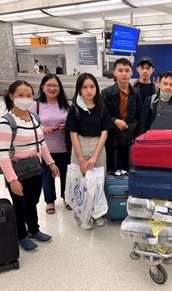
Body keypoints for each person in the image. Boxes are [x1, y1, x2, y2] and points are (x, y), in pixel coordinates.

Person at [0, 80, 60, 252]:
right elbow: (2, 155)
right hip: (18, 171)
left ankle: (34, 230)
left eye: (29, 95)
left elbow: (42, 144)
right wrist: (12, 180)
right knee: (20, 205)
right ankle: (21, 235)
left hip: (35, 168)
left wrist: (51, 163)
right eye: (20, 95)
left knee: (32, 201)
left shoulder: (34, 118)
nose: (25, 99)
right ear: (11, 97)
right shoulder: (5, 123)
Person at [65, 73, 113, 230]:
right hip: (79, 145)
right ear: (79, 89)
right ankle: (80, 214)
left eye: (92, 86)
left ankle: (97, 213)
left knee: (98, 182)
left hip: (98, 147)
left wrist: (94, 156)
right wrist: (80, 158)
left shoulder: (101, 108)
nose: (89, 90)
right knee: (80, 183)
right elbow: (73, 134)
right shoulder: (74, 109)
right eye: (84, 87)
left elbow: (105, 132)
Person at [29, 74, 70, 215]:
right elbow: (30, 123)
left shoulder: (65, 104)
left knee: (66, 174)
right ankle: (50, 201)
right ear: (43, 87)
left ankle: (67, 198)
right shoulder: (36, 105)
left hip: (63, 147)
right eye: (49, 85)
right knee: (47, 175)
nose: (52, 88)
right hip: (45, 148)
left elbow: (71, 122)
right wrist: (42, 128)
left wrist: (66, 126)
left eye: (55, 86)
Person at [101, 57, 142, 172]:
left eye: (127, 70)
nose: (124, 74)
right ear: (114, 73)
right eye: (120, 70)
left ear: (131, 72)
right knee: (110, 169)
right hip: (110, 138)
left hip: (127, 138)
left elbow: (139, 116)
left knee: (127, 169)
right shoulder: (106, 93)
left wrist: (130, 131)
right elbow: (101, 115)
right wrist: (115, 121)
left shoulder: (136, 94)